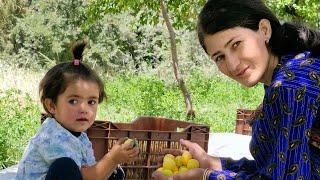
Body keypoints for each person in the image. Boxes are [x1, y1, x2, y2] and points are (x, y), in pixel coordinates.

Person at [152, 0, 320, 179]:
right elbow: (275, 166)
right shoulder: (288, 72)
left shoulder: (290, 85)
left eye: (236, 44)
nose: (232, 65)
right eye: (219, 57)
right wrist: (211, 162)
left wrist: (206, 176)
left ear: (264, 30)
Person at [15, 40, 140, 180]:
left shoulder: (80, 137)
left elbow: (90, 171)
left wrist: (112, 163)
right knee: (64, 167)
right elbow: (82, 176)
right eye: (73, 101)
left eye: (91, 102)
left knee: (114, 174)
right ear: (51, 105)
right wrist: (111, 158)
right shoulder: (51, 136)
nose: (83, 109)